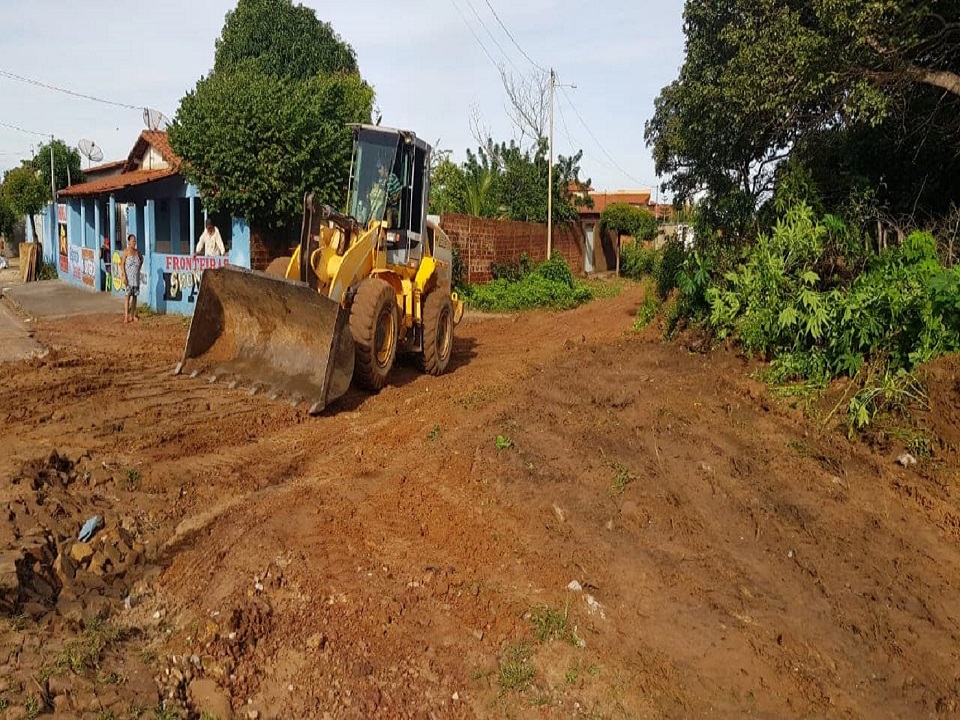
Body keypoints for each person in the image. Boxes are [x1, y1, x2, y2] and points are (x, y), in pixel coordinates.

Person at [121, 234, 143, 324]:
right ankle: (126, 316)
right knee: (127, 297)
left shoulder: (137, 252)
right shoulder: (126, 251)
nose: (134, 242)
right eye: (133, 241)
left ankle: (133, 315)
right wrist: (124, 276)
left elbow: (141, 259)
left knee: (135, 297)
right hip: (128, 279)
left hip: (136, 279)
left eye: (135, 241)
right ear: (129, 241)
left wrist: (139, 268)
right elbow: (122, 264)